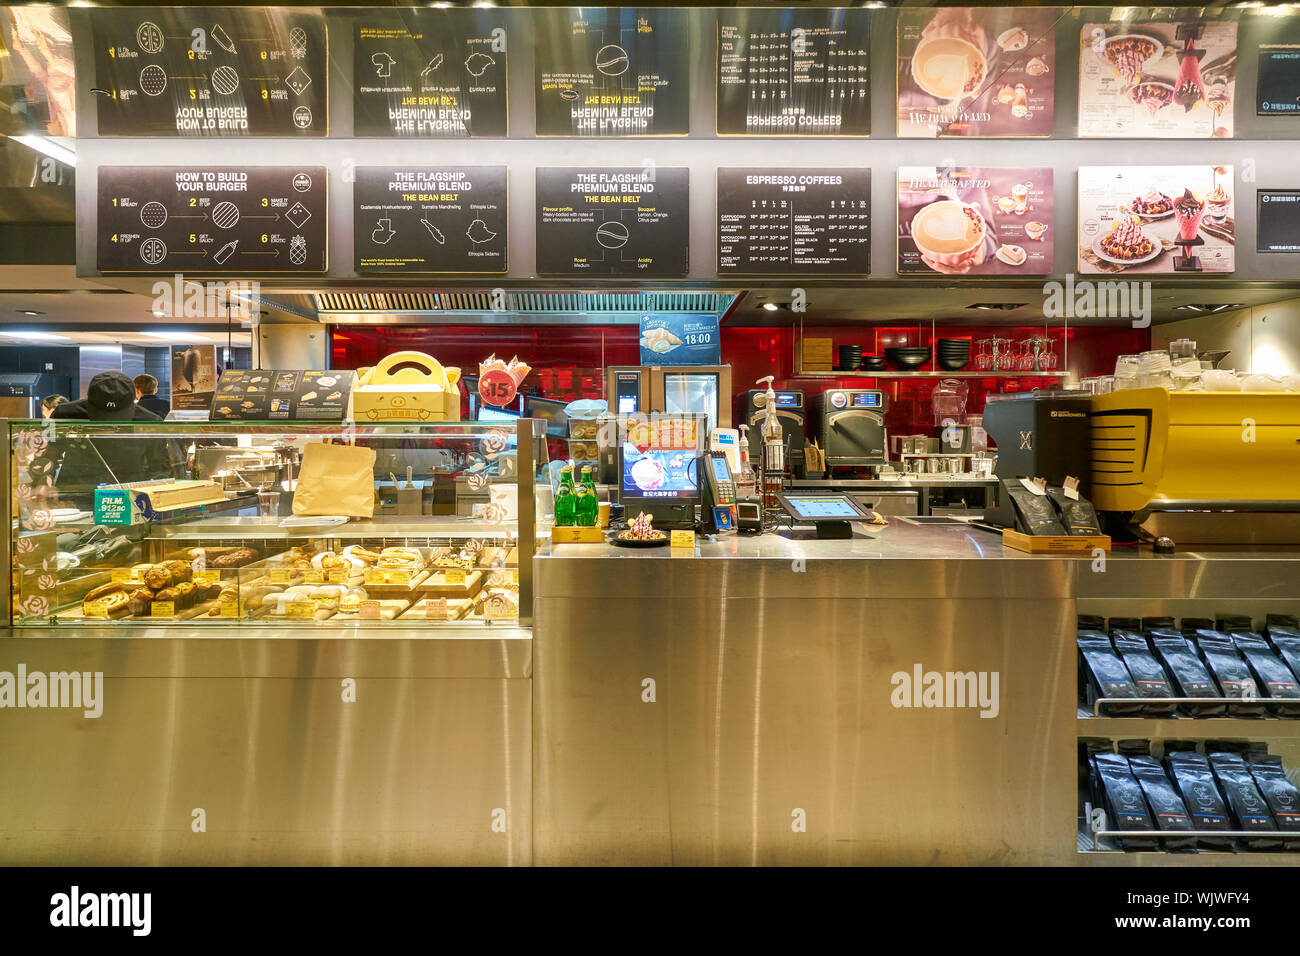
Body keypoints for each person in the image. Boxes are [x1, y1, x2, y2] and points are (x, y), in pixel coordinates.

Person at [39, 371, 179, 508]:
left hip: (129, 497)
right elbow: (47, 453)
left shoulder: (150, 422)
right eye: (102, 414)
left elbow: (158, 467)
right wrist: (43, 484)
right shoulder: (64, 414)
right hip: (75, 496)